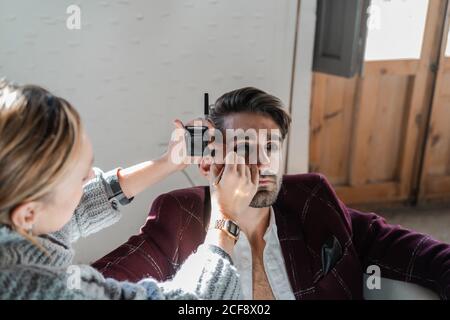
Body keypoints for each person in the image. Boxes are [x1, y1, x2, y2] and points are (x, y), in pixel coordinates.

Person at [94, 87, 450, 300]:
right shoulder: (177, 218)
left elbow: (408, 249)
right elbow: (90, 288)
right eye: (246, 146)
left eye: (271, 146)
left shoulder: (312, 199)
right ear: (207, 164)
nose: (263, 161)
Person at [0, 80, 259, 299]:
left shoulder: (16, 221)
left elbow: (73, 213)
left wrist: (167, 162)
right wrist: (225, 216)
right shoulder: (48, 291)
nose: (91, 176)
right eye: (81, 178)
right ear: (27, 214)